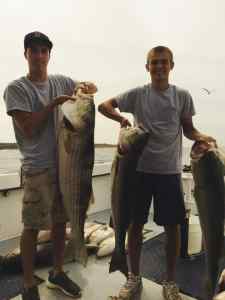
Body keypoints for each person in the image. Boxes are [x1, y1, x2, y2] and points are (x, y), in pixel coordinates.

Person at [98, 46, 216, 300]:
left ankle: (170, 281)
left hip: (169, 171)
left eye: (164, 62)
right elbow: (104, 106)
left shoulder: (182, 96)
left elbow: (188, 129)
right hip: (137, 171)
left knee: (173, 228)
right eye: (154, 63)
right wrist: (121, 120)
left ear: (171, 66)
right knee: (135, 225)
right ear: (147, 67)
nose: (159, 67)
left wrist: (201, 136)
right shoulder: (138, 94)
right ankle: (134, 278)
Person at [3, 31, 97, 300]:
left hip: (65, 168)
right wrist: (52, 104)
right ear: (26, 54)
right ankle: (28, 282)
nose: (40, 56)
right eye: (34, 51)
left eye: (44, 51)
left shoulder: (62, 81)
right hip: (37, 169)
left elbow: (90, 87)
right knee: (32, 227)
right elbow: (29, 128)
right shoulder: (16, 89)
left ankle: (57, 272)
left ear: (49, 55)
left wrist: (87, 88)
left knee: (59, 223)